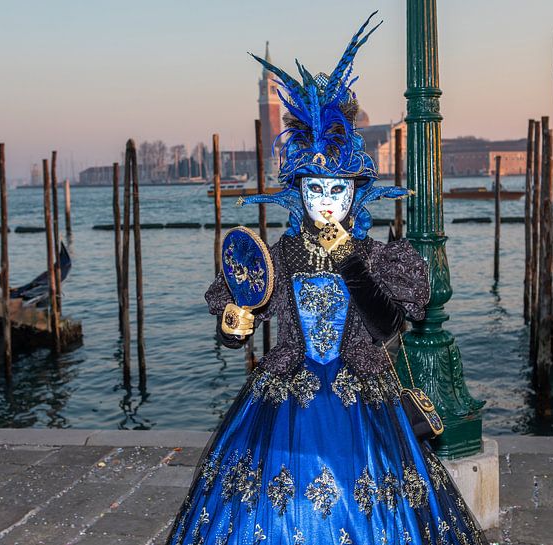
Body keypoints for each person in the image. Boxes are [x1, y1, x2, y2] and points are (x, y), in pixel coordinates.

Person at [166, 13, 486, 545]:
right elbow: (242, 318)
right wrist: (234, 323)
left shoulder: (374, 255)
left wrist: (351, 261)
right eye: (316, 190)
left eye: (337, 190)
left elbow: (388, 327)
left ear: (354, 192)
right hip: (286, 393)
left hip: (364, 393)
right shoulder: (283, 255)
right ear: (300, 193)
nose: (327, 203)